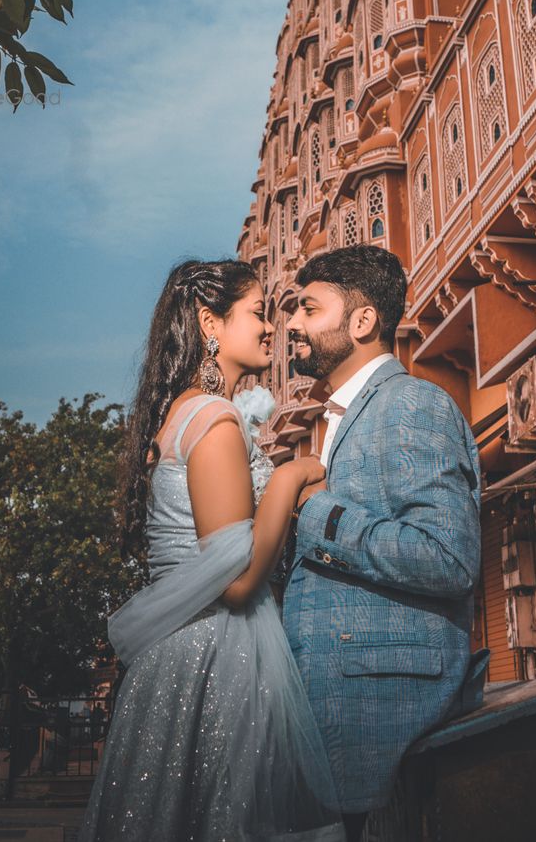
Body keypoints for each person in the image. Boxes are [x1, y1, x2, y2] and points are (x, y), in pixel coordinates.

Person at [79, 258, 343, 842]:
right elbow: (239, 580)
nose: (272, 327)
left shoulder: (180, 416)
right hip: (215, 654)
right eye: (256, 312)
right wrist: (291, 476)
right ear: (211, 324)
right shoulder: (214, 418)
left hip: (174, 659)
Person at [283, 245, 486, 842]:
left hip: (385, 717)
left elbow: (447, 558)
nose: (292, 324)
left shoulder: (412, 405)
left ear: (363, 321)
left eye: (309, 309)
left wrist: (316, 517)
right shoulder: (347, 417)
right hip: (336, 712)